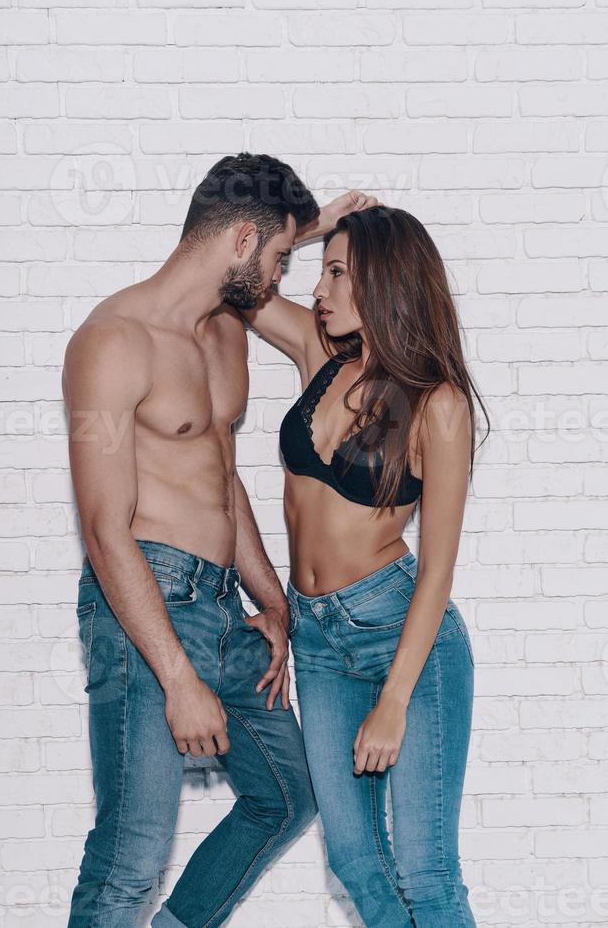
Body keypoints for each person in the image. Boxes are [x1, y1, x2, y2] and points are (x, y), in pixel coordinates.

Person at [62, 153, 355, 928]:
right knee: (130, 857)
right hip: (144, 610)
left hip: (225, 609)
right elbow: (102, 528)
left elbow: (221, 480)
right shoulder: (113, 341)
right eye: (282, 258)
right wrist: (178, 678)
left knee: (288, 797)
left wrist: (275, 605)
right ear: (241, 242)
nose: (284, 278)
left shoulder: (226, 330)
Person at [239, 201, 490, 927]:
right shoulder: (321, 357)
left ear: (384, 280)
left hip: (402, 636)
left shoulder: (436, 404)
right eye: (320, 270)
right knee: (353, 861)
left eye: (338, 272)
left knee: (426, 873)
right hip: (319, 643)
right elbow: (237, 281)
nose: (319, 290)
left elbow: (438, 571)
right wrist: (312, 228)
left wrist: (394, 700)